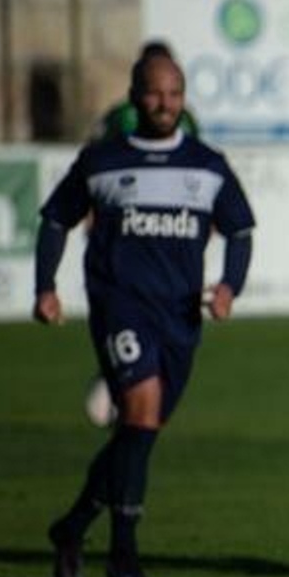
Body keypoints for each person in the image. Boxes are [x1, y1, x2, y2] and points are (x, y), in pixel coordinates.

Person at [34, 50, 255, 577]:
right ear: (134, 97)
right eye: (155, 93)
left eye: (175, 93)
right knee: (141, 411)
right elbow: (55, 220)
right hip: (120, 306)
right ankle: (123, 555)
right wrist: (45, 287)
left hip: (179, 315)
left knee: (140, 432)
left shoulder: (207, 165)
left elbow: (241, 232)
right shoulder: (102, 161)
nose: (166, 103)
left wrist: (229, 287)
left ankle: (73, 525)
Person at [82, 41, 205, 429]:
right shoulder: (121, 118)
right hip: (127, 233)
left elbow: (196, 166)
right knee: (129, 306)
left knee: (159, 315)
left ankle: (130, 385)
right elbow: (94, 166)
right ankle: (123, 378)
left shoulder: (185, 121)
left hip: (166, 235)